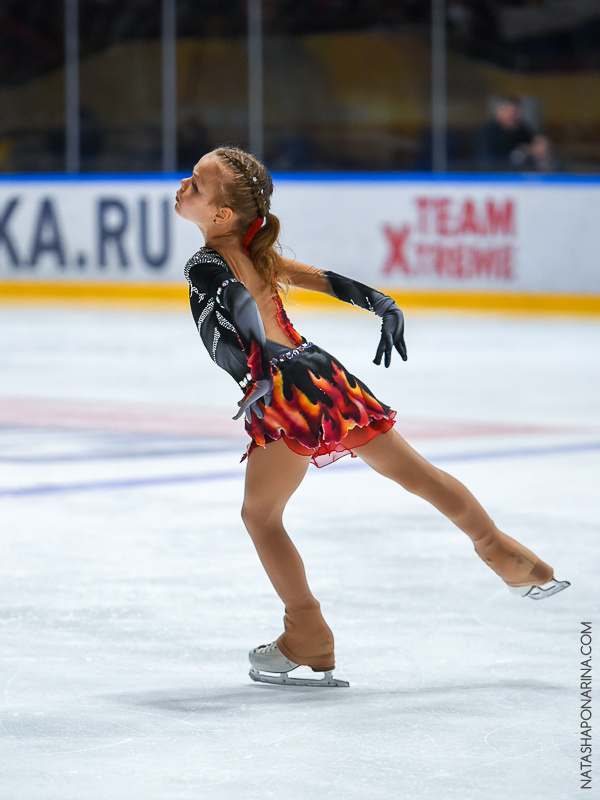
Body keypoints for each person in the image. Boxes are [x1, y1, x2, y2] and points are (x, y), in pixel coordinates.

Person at [175, 146, 569, 687]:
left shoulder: (205, 263)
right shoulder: (255, 252)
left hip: (285, 390)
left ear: (222, 215)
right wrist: (381, 303)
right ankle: (502, 552)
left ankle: (307, 634)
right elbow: (326, 280)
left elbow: (237, 307)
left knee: (260, 516)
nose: (182, 184)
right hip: (322, 373)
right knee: (416, 474)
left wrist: (257, 373)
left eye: (196, 183)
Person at [476, 96, 536, 171]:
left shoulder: (524, 130)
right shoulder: (487, 133)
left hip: (521, 176)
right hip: (494, 176)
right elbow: (485, 161)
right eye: (509, 112)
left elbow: (535, 146)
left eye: (516, 113)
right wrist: (515, 155)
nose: (512, 116)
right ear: (499, 113)